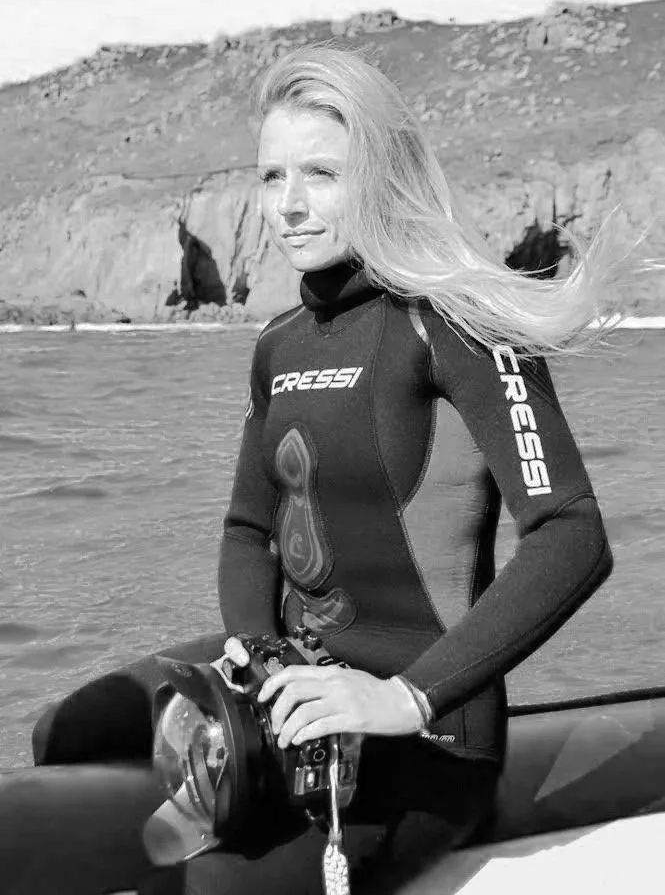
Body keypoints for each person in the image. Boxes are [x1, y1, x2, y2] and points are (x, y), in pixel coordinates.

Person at [32, 45, 623, 894]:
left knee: (211, 890)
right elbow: (246, 529)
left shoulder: (458, 327)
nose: (291, 206)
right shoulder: (279, 346)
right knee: (70, 731)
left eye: (321, 174)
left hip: (422, 728)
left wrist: (404, 700)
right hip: (291, 682)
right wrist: (261, 661)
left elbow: (573, 534)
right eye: (273, 176)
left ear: (379, 177)